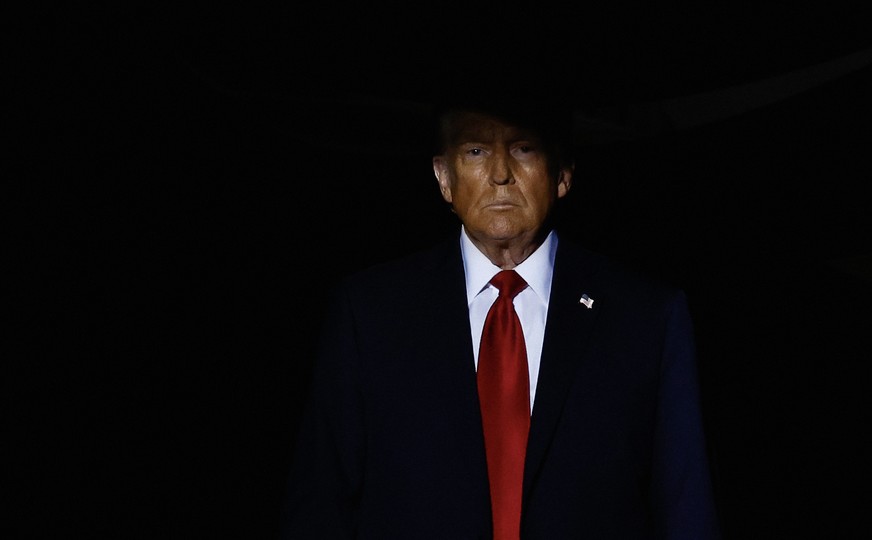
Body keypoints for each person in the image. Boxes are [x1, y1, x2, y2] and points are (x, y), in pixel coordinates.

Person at [281, 89, 721, 539]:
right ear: (444, 177)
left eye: (523, 148)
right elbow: (321, 503)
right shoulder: (370, 313)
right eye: (475, 151)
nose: (500, 174)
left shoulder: (646, 317)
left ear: (562, 174)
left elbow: (686, 506)